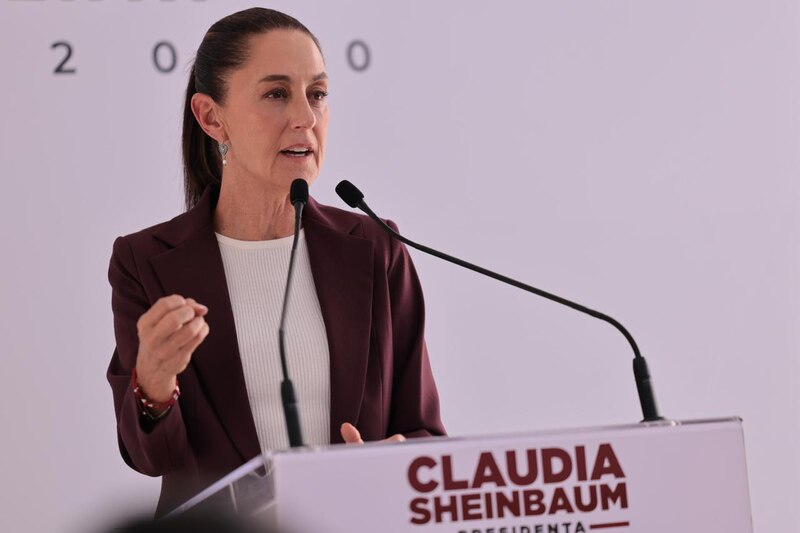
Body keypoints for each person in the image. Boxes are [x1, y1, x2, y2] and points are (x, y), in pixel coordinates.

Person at [106, 7, 445, 517]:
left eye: (318, 94)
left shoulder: (375, 248)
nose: (306, 118)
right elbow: (153, 458)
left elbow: (424, 431)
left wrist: (396, 463)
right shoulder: (148, 262)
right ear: (211, 117)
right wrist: (152, 383)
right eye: (276, 93)